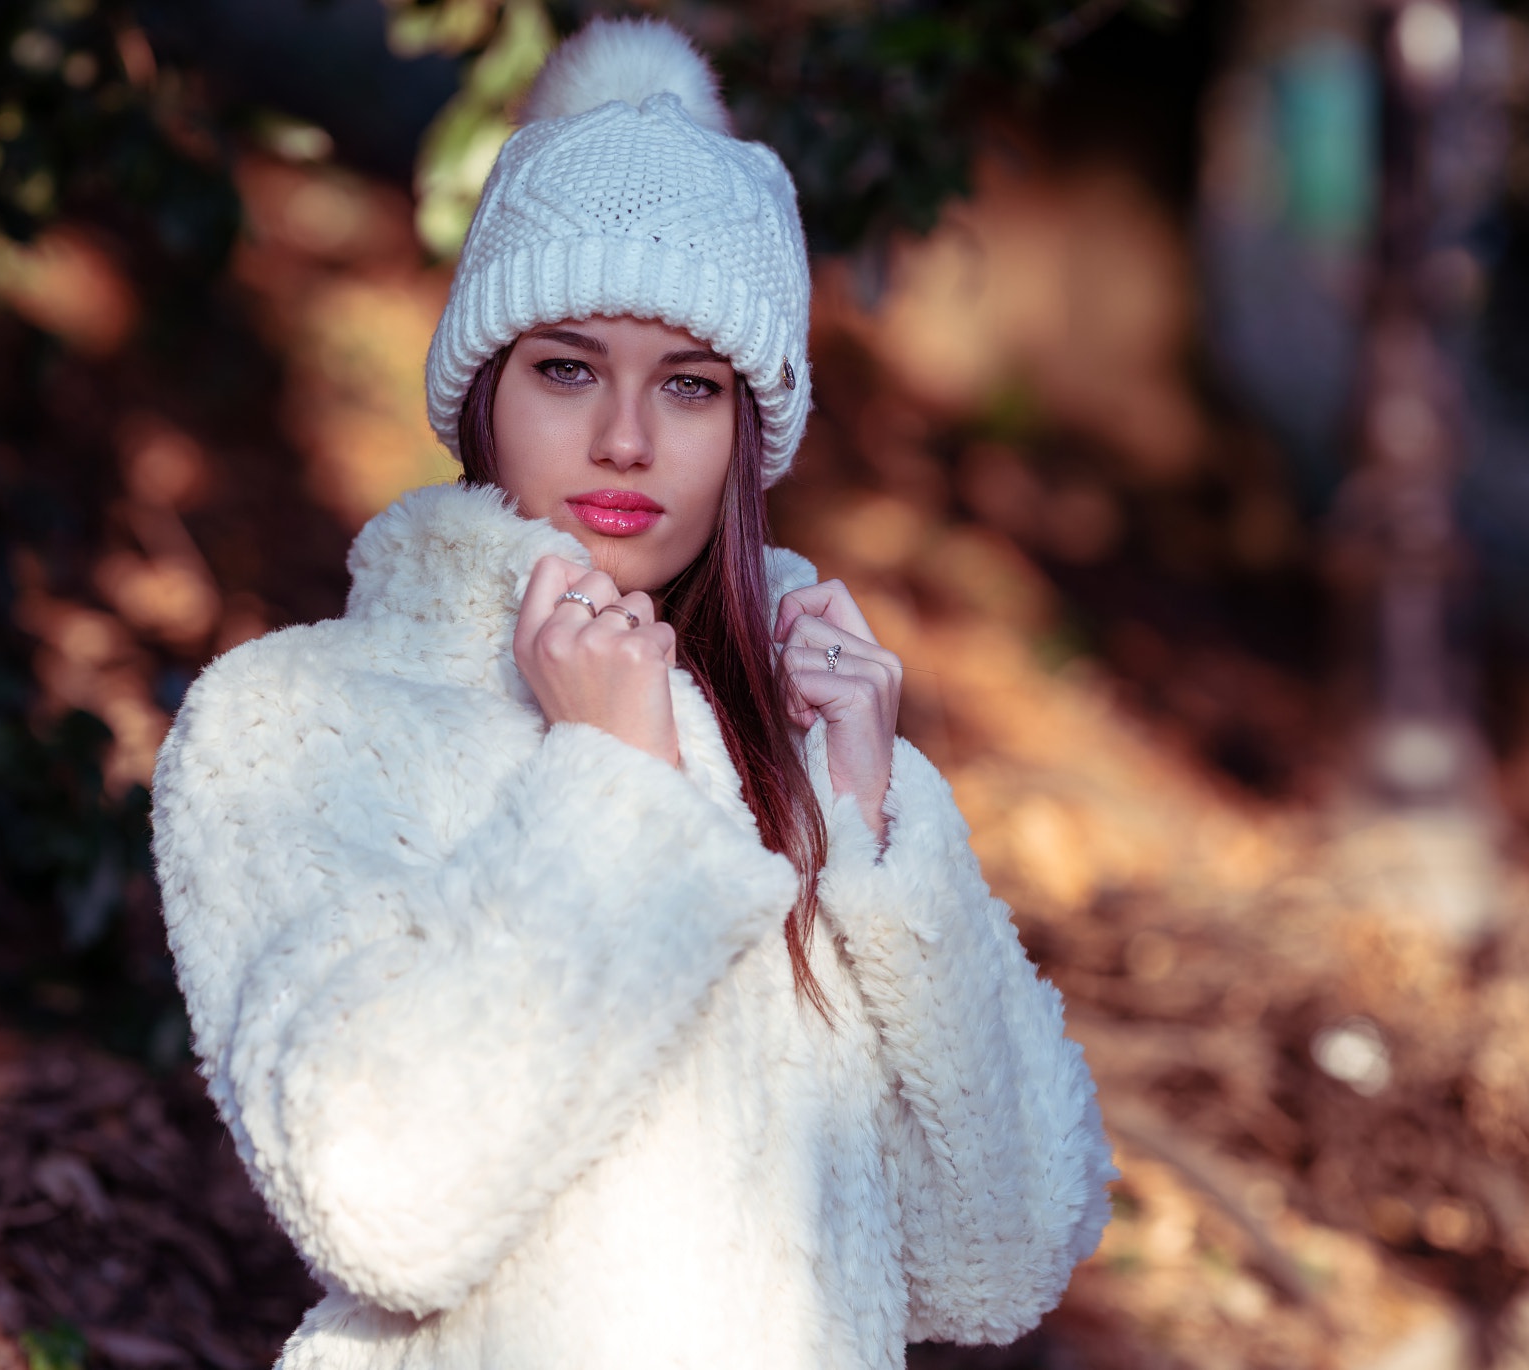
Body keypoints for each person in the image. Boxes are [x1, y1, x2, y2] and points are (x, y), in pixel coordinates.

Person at [151, 17, 1113, 1369]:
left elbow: (998, 1257)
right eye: (566, 366)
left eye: (689, 384)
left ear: (744, 431)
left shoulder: (800, 766)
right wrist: (611, 789)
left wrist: (876, 827)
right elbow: (377, 1199)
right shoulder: (294, 722)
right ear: (482, 386)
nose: (624, 437)